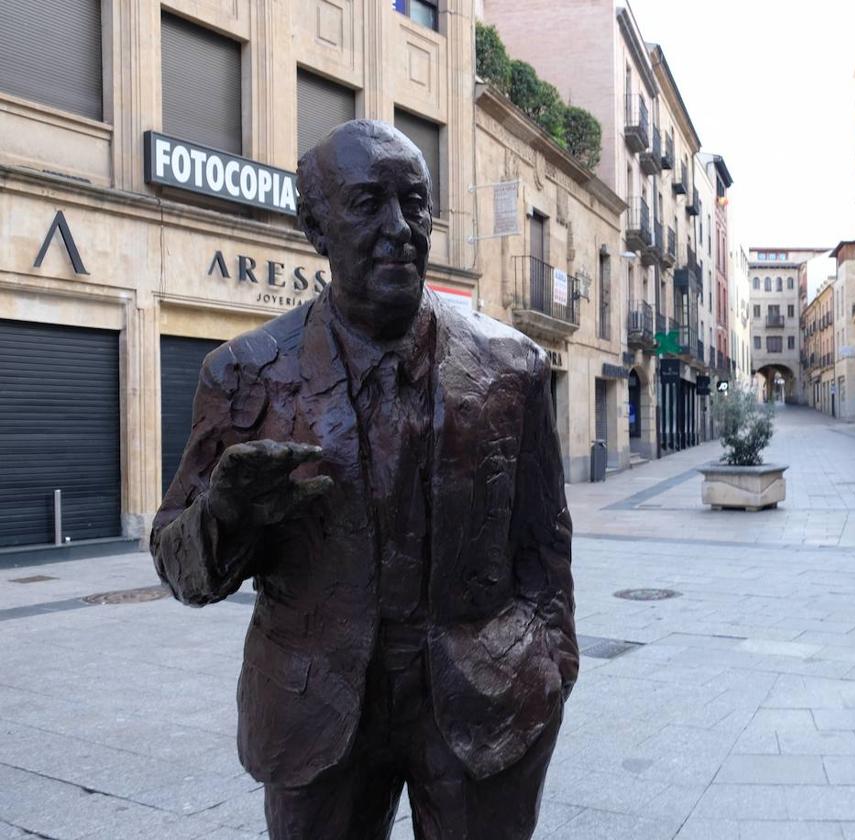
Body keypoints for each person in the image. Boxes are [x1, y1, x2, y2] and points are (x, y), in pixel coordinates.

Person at [152, 120, 577, 839]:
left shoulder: (514, 369)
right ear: (314, 226)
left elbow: (545, 548)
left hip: (484, 698)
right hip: (316, 706)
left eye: (415, 203)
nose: (399, 228)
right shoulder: (247, 374)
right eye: (366, 203)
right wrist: (226, 512)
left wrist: (549, 666)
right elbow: (182, 569)